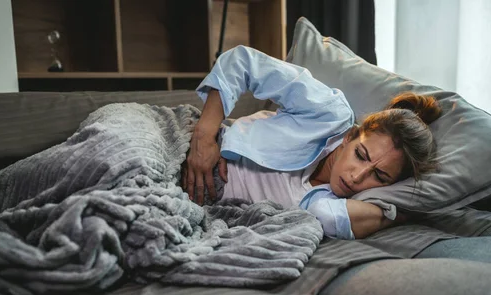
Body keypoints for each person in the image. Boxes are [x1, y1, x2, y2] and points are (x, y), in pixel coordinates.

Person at [182, 45, 442, 240]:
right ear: (351, 136)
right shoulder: (329, 114)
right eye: (360, 155)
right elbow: (243, 62)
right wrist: (204, 138)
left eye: (380, 176)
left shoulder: (333, 200)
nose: (356, 177)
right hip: (184, 143)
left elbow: (328, 217)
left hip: (199, 201)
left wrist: (398, 215)